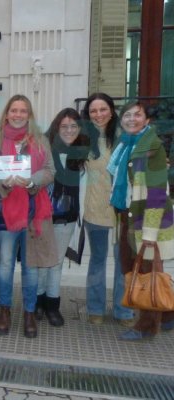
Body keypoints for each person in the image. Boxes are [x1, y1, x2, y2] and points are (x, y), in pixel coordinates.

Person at [0, 94, 57, 339]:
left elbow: (50, 171)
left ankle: (29, 313)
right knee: (4, 266)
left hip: (34, 213)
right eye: (14, 110)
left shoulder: (41, 140)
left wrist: (33, 180)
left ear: (29, 115)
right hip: (4, 211)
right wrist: (4, 183)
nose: (18, 115)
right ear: (7, 113)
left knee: (31, 267)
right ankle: (4, 310)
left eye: (23, 111)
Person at [106, 102, 174, 340]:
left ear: (147, 120)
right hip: (128, 214)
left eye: (138, 115)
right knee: (130, 265)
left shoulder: (151, 146)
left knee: (146, 272)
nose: (132, 119)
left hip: (147, 218)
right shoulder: (125, 144)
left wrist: (150, 234)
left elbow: (157, 193)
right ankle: (166, 314)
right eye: (127, 115)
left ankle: (146, 326)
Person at [81, 93, 134, 327]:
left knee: (123, 262)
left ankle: (123, 310)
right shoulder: (82, 140)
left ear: (111, 111)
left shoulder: (126, 138)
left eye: (103, 109)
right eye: (93, 111)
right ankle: (95, 308)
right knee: (98, 260)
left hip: (123, 211)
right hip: (96, 209)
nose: (99, 114)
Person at [36, 108, 89, 326]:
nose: (69, 130)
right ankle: (37, 303)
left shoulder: (83, 153)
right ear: (57, 128)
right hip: (43, 215)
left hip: (67, 217)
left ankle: (52, 305)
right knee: (41, 262)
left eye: (73, 126)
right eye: (64, 126)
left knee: (56, 263)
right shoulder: (44, 151)